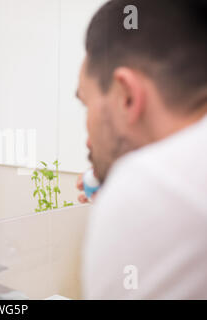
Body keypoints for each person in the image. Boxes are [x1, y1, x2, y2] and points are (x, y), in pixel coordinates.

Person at [75, 0, 207, 298]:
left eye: (86, 104)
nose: (87, 140)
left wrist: (127, 196)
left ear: (127, 97)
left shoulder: (151, 184)